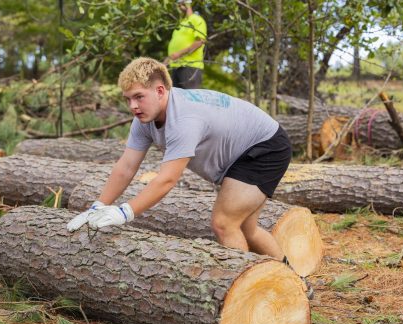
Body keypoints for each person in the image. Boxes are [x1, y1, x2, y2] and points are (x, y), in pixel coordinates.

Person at [66, 57, 292, 262]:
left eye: (139, 97)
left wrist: (124, 212)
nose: (133, 106)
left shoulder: (184, 119)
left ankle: (246, 294)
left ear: (161, 91)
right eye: (128, 99)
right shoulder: (143, 119)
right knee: (247, 227)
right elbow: (126, 167)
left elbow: (167, 179)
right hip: (241, 152)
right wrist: (99, 205)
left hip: (264, 147)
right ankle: (291, 279)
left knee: (225, 223)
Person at [164, 0, 206, 89]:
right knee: (177, 99)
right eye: (178, 5)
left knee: (190, 98)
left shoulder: (197, 19)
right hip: (175, 66)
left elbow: (199, 41)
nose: (179, 7)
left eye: (181, 4)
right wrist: (164, 64)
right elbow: (174, 48)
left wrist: (179, 53)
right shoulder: (181, 24)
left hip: (189, 66)